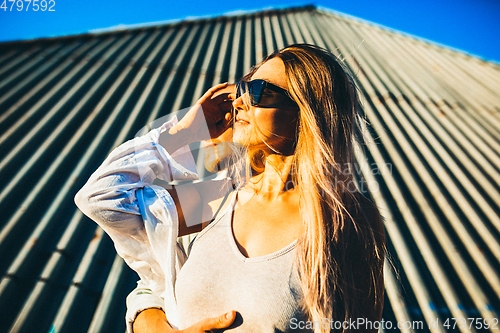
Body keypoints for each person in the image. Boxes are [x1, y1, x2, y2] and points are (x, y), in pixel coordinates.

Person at [75, 43, 386, 333]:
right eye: (243, 88)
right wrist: (180, 135)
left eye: (258, 91)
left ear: (307, 113)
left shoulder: (345, 219)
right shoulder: (216, 198)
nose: (239, 101)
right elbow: (101, 199)